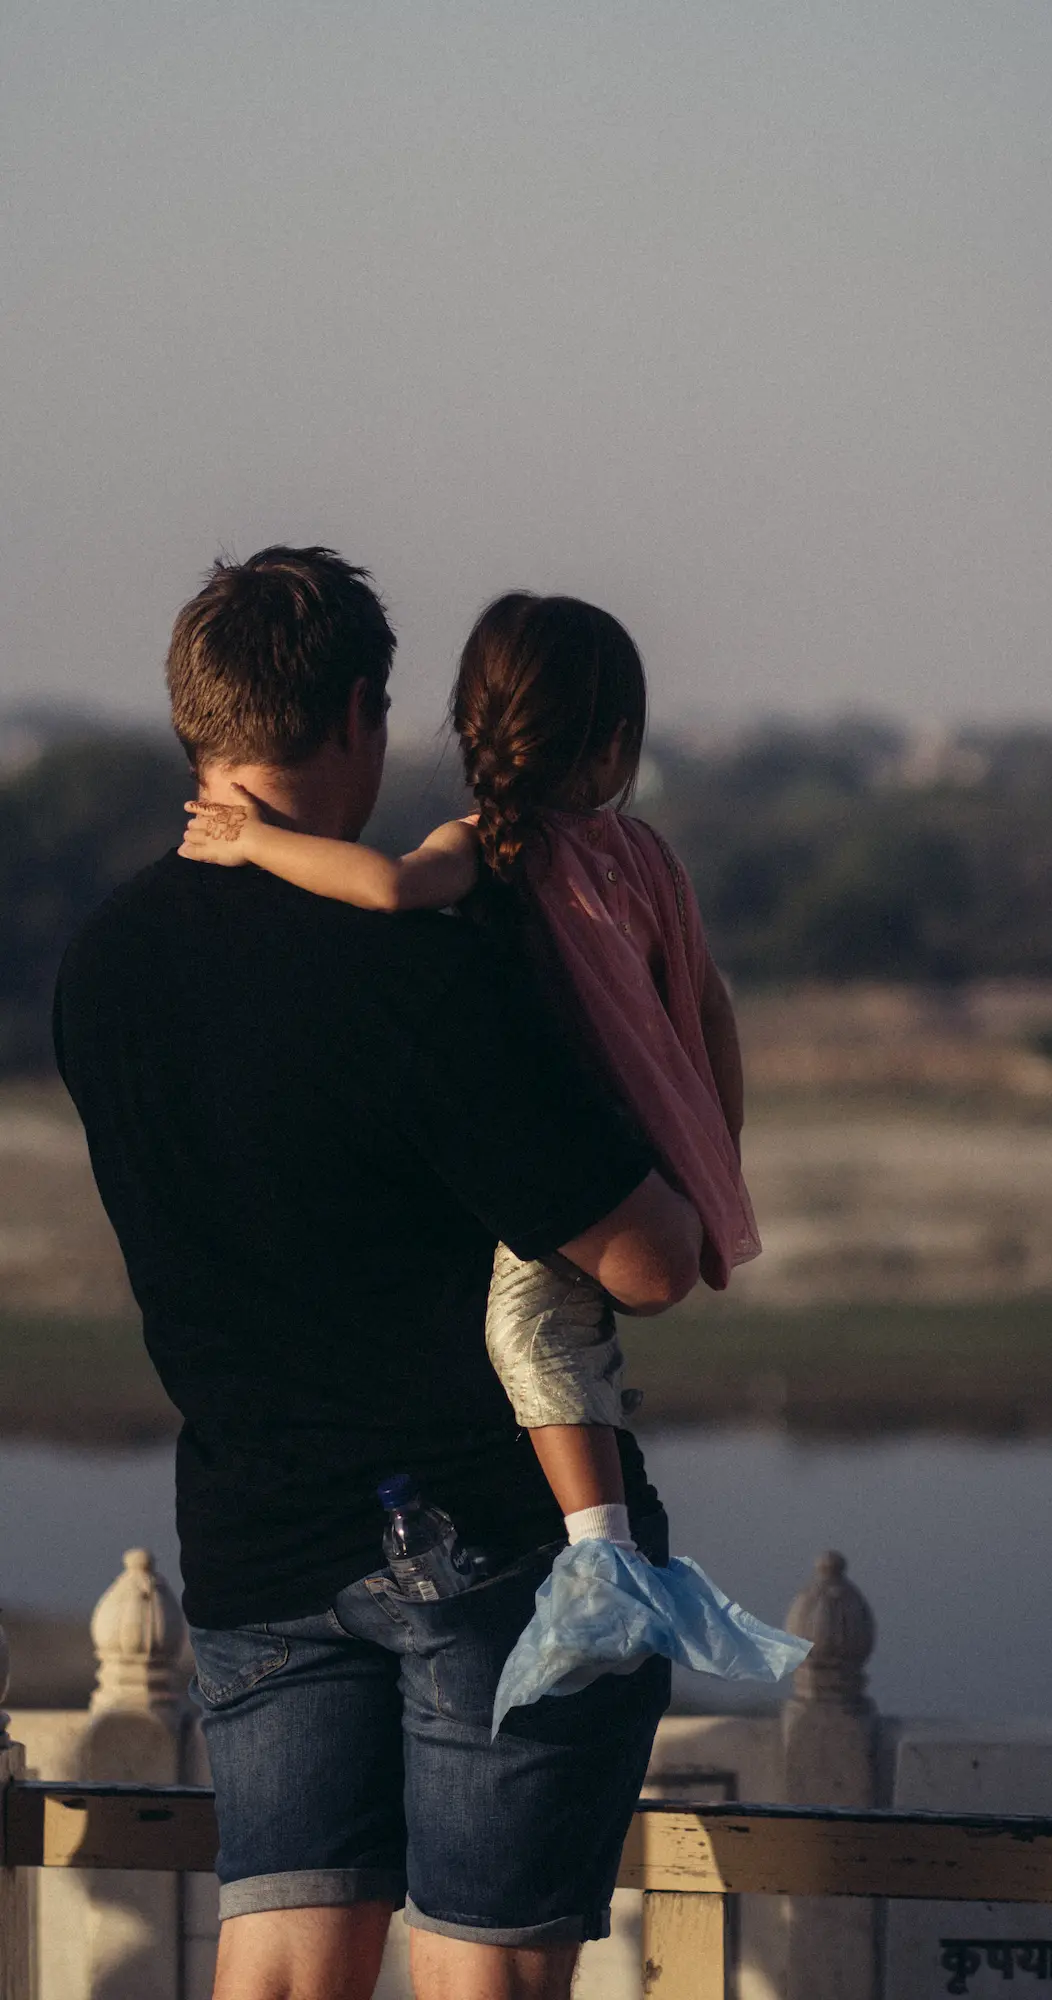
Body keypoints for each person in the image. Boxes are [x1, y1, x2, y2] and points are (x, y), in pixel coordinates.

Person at [53, 548, 703, 2000]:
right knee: (487, 1977)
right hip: (486, 1541)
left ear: (195, 723)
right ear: (359, 712)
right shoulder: (416, 963)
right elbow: (651, 1261)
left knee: (279, 1970)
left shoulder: (104, 964)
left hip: (253, 1539)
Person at [178, 595, 761, 1592]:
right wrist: (712, 1153)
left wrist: (250, 841)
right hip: (648, 1153)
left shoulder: (496, 845)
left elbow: (387, 890)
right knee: (569, 1332)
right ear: (618, 742)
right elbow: (711, 1011)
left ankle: (601, 1555)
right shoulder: (648, 857)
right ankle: (605, 1536)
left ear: (470, 725)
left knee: (529, 1329)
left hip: (574, 1163)